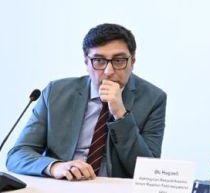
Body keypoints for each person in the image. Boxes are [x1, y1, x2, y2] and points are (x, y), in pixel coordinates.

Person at [6, 23, 166, 180]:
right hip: (63, 186)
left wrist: (120, 115)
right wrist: (55, 166)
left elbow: (148, 173)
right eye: (99, 60)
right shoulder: (55, 92)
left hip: (114, 192)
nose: (109, 71)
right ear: (86, 62)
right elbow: (18, 155)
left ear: (133, 61)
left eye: (119, 61)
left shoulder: (153, 99)